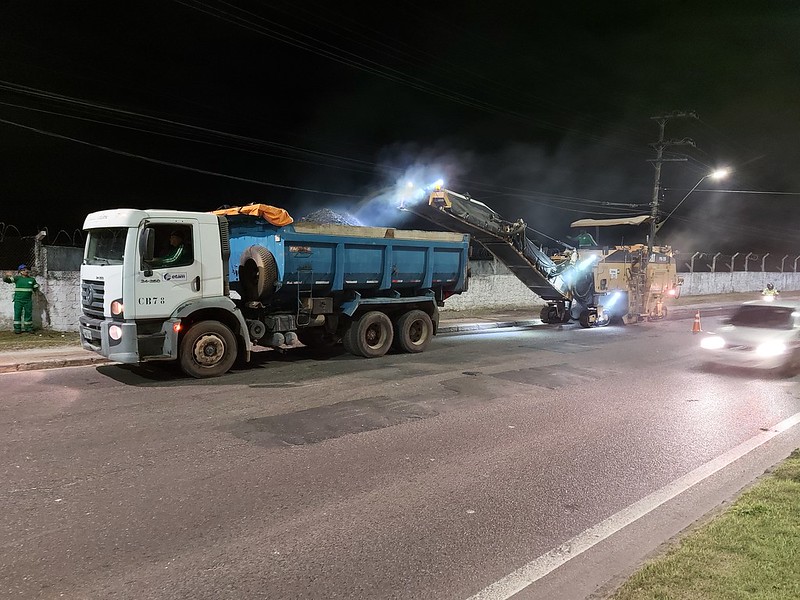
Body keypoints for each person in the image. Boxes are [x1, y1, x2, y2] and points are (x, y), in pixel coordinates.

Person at [3, 264, 40, 334]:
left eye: (26, 269)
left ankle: (28, 328)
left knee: (28, 314)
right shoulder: (17, 278)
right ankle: (17, 329)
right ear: (20, 272)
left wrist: (37, 297)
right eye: (24, 270)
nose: (26, 271)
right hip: (18, 300)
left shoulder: (32, 280)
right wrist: (6, 275)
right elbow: (6, 280)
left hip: (28, 300)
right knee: (17, 314)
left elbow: (36, 289)